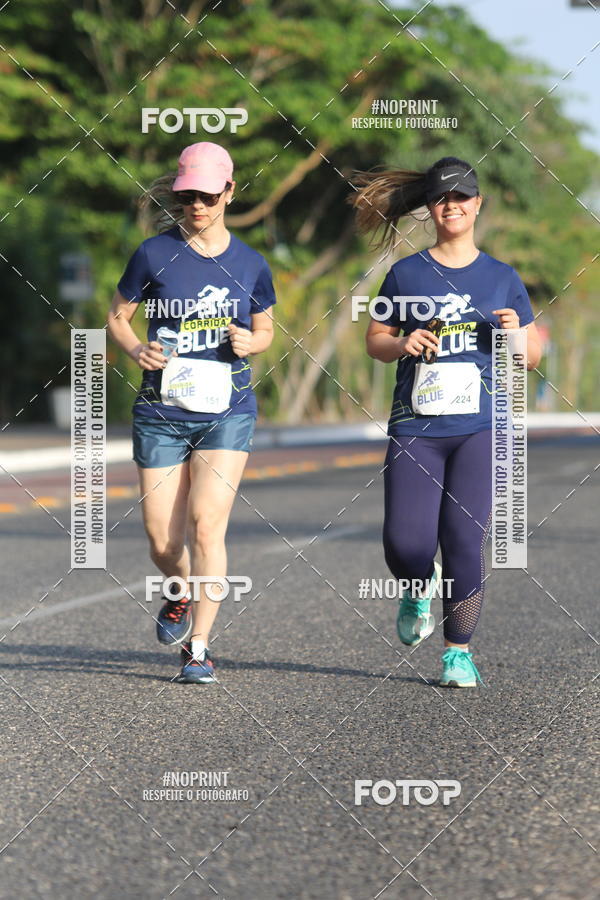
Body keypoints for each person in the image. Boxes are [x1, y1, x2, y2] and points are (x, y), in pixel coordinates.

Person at [351, 157, 542, 687]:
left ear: (478, 204)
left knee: (464, 538)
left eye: (462, 196)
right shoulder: (407, 274)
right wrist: (401, 342)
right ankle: (417, 586)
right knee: (405, 543)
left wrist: (515, 337)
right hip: (416, 426)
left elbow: (530, 354)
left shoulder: (502, 278)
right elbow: (374, 340)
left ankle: (458, 651)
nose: (451, 205)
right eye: (441, 198)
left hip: (481, 427)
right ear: (430, 209)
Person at [107, 142, 276, 684]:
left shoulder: (251, 263)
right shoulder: (153, 255)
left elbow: (267, 327)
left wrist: (252, 342)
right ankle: (178, 589)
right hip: (161, 410)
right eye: (186, 197)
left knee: (208, 526)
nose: (196, 206)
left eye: (207, 195)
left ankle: (199, 648)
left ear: (229, 192)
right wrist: (137, 350)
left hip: (227, 410)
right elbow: (117, 317)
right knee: (162, 541)